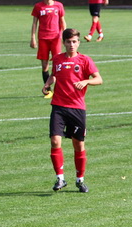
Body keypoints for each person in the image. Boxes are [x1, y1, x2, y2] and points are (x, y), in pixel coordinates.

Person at [42, 28, 103, 193]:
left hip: (77, 108)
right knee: (55, 141)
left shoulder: (85, 60)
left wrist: (85, 82)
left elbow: (99, 79)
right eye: (68, 42)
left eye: (74, 41)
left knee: (78, 144)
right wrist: (48, 84)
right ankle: (60, 178)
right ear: (64, 43)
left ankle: (80, 179)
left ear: (78, 43)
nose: (71, 45)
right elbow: (54, 75)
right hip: (59, 107)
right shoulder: (57, 59)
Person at [31, 0, 67, 99]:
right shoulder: (38, 6)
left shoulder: (59, 5)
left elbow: (62, 21)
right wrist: (33, 38)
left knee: (57, 64)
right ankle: (48, 91)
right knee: (44, 65)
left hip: (56, 38)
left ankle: (59, 90)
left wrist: (65, 37)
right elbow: (34, 23)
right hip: (43, 38)